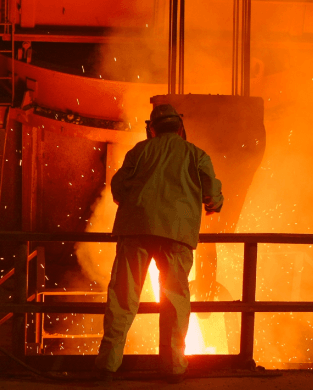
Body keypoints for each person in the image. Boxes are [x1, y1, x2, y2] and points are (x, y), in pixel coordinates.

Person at [95, 104, 223, 383]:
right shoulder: (196, 155)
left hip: (135, 230)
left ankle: (107, 365)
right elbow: (213, 195)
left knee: (122, 298)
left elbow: (118, 188)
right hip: (176, 235)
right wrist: (213, 204)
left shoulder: (139, 151)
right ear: (180, 128)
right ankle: (173, 367)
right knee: (175, 300)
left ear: (151, 129)